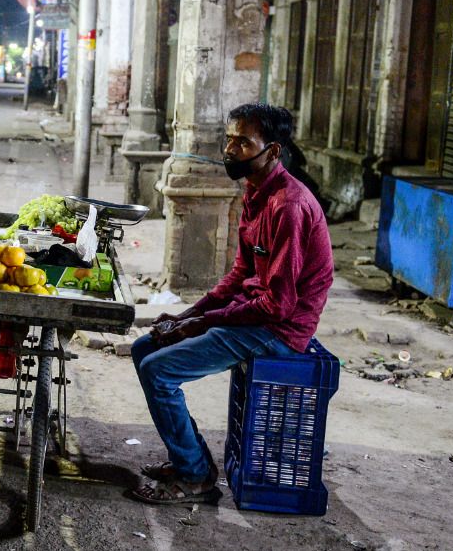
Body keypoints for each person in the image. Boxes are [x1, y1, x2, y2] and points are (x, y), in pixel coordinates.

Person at [126, 103, 334, 506]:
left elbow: (278, 305)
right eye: (230, 139)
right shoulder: (256, 192)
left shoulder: (288, 206)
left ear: (272, 151)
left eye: (243, 142)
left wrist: (203, 323)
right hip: (254, 315)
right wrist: (186, 315)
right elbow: (240, 273)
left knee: (159, 370)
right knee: (145, 348)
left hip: (279, 330)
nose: (231, 149)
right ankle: (192, 460)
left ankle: (195, 478)